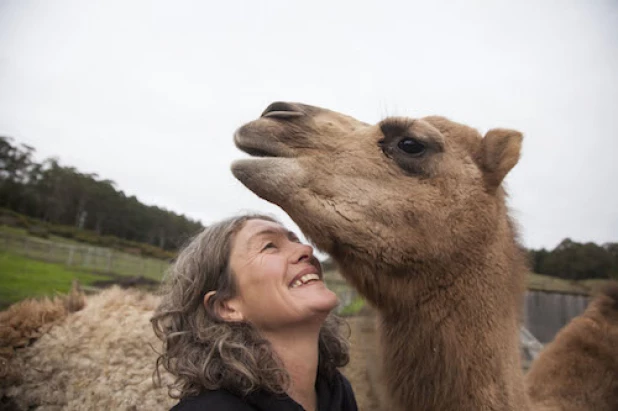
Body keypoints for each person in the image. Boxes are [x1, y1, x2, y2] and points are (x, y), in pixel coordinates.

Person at [151, 214, 358, 411]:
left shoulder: (338, 392)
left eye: (296, 240)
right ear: (226, 306)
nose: (306, 249)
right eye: (269, 246)